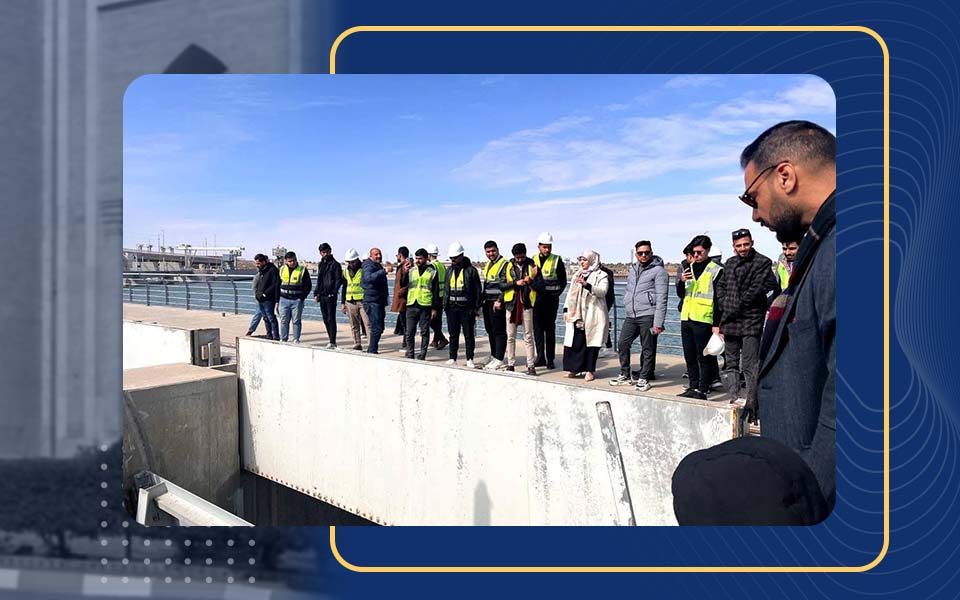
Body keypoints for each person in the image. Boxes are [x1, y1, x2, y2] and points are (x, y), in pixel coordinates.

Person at [738, 119, 837, 509]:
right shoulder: (823, 243)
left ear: (784, 176)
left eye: (752, 198)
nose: (755, 215)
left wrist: (809, 498)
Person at [716, 228, 780, 405]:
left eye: (746, 244)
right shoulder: (730, 263)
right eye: (739, 246)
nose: (743, 248)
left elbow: (755, 290)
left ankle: (752, 401)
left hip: (751, 318)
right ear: (733, 246)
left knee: (749, 363)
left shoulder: (762, 262)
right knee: (731, 362)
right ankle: (734, 397)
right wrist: (723, 303)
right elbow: (721, 285)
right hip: (730, 318)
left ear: (752, 243)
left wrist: (733, 306)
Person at [610, 241, 668, 392]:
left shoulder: (659, 271)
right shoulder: (633, 269)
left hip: (648, 314)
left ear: (651, 253)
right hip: (631, 315)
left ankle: (644, 378)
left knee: (647, 347)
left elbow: (662, 298)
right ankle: (625, 374)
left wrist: (658, 323)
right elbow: (629, 290)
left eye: (646, 252)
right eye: (640, 253)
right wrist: (627, 302)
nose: (643, 255)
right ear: (636, 254)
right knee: (622, 344)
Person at [678, 235, 723, 400]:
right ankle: (693, 386)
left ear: (708, 250)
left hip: (704, 319)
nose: (695, 255)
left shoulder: (715, 270)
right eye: (693, 252)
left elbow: (718, 300)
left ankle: (703, 389)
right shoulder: (688, 268)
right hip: (687, 317)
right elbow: (681, 294)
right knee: (689, 356)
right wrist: (681, 281)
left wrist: (717, 324)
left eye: (699, 252)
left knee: (704, 356)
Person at [562, 250, 610, 382]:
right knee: (575, 342)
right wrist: (566, 310)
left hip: (593, 313)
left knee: (591, 344)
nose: (582, 262)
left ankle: (589, 371)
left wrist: (587, 285)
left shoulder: (602, 275)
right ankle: (574, 369)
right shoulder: (577, 274)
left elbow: (603, 292)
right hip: (576, 313)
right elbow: (570, 294)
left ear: (592, 260)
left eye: (585, 260)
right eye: (580, 260)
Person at [499, 243, 543, 376]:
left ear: (525, 254)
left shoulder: (533, 266)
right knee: (510, 336)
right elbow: (501, 285)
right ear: (513, 256)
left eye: (522, 257)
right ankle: (510, 364)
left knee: (528, 336)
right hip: (511, 305)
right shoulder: (507, 266)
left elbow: (541, 286)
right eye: (517, 257)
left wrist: (531, 281)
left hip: (527, 304)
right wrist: (515, 283)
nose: (519, 259)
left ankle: (531, 366)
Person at [444, 242, 482, 368]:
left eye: (455, 257)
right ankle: (452, 358)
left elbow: (477, 290)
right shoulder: (449, 271)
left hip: (467, 309)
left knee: (469, 335)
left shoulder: (471, 271)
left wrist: (476, 307)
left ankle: (469, 359)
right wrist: (445, 306)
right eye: (451, 258)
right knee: (453, 334)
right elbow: (446, 289)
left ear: (461, 255)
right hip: (452, 308)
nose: (453, 260)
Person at [532, 232, 566, 369]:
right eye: (544, 247)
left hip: (551, 301)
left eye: (549, 247)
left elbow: (563, 281)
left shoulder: (557, 260)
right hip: (537, 301)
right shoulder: (533, 260)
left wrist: (556, 294)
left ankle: (550, 359)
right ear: (539, 247)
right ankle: (540, 357)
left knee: (550, 330)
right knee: (538, 330)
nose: (547, 249)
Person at [402, 248, 442, 360]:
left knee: (424, 331)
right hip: (411, 304)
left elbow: (435, 291)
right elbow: (403, 284)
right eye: (416, 258)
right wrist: (404, 272)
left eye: (420, 259)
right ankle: (410, 353)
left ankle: (422, 354)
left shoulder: (432, 272)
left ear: (426, 259)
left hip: (425, 305)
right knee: (409, 332)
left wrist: (434, 308)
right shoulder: (411, 271)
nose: (417, 261)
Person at [481, 240, 509, 370]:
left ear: (497, 250)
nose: (491, 254)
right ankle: (493, 355)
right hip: (488, 302)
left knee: (499, 331)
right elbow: (487, 284)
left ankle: (499, 359)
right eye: (488, 252)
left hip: (497, 303)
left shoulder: (504, 264)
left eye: (493, 251)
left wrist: (500, 300)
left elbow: (506, 285)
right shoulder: (488, 264)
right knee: (490, 330)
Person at [339, 248, 371, 351]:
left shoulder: (364, 269)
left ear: (357, 259)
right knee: (354, 325)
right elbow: (344, 286)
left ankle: (371, 345)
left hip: (363, 301)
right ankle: (357, 344)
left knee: (368, 324)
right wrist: (342, 302)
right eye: (349, 262)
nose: (351, 264)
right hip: (350, 301)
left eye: (352, 261)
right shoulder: (345, 271)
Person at [277, 251, 312, 343]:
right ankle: (283, 339)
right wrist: (277, 299)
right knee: (283, 321)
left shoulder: (302, 270)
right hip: (283, 300)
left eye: (294, 260)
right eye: (290, 261)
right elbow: (277, 284)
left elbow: (308, 286)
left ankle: (296, 339)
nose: (292, 262)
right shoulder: (282, 269)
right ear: (286, 261)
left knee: (296, 321)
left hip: (297, 300)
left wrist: (301, 298)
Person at [314, 242, 343, 349]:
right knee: (325, 318)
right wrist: (316, 293)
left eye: (326, 252)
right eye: (323, 252)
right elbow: (319, 279)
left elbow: (338, 280)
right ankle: (330, 338)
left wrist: (334, 292)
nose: (325, 254)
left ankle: (332, 341)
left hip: (331, 295)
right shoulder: (321, 264)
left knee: (331, 318)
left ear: (330, 251)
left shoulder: (335, 264)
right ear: (320, 253)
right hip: (322, 295)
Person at [361, 247, 389, 354]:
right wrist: (383, 272)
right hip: (372, 301)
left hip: (378, 301)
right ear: (371, 255)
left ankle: (372, 349)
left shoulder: (377, 265)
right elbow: (368, 278)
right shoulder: (368, 265)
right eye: (376, 254)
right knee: (376, 327)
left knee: (379, 327)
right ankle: (372, 350)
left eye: (380, 254)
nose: (379, 256)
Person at [425, 243, 449, 350]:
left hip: (434, 297)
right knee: (437, 320)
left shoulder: (431, 266)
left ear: (429, 255)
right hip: (442, 296)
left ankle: (442, 339)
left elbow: (430, 282)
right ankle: (435, 341)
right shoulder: (441, 266)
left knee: (430, 320)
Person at [252, 253, 279, 340]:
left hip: (268, 299)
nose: (257, 265)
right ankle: (269, 335)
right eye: (256, 263)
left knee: (271, 317)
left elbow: (275, 284)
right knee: (265, 318)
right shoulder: (261, 271)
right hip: (260, 299)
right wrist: (258, 295)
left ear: (263, 262)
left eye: (258, 263)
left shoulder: (272, 270)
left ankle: (275, 336)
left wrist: (265, 293)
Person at [391, 246, 411, 352]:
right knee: (404, 323)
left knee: (406, 323)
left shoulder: (405, 266)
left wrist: (401, 292)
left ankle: (407, 344)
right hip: (402, 299)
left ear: (400, 255)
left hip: (403, 299)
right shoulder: (402, 266)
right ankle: (405, 343)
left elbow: (406, 282)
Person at [245, 265, 264, 336]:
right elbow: (254, 288)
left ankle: (251, 330)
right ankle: (251, 330)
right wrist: (257, 297)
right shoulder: (257, 276)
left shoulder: (267, 275)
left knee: (264, 315)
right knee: (259, 314)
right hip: (260, 299)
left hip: (267, 298)